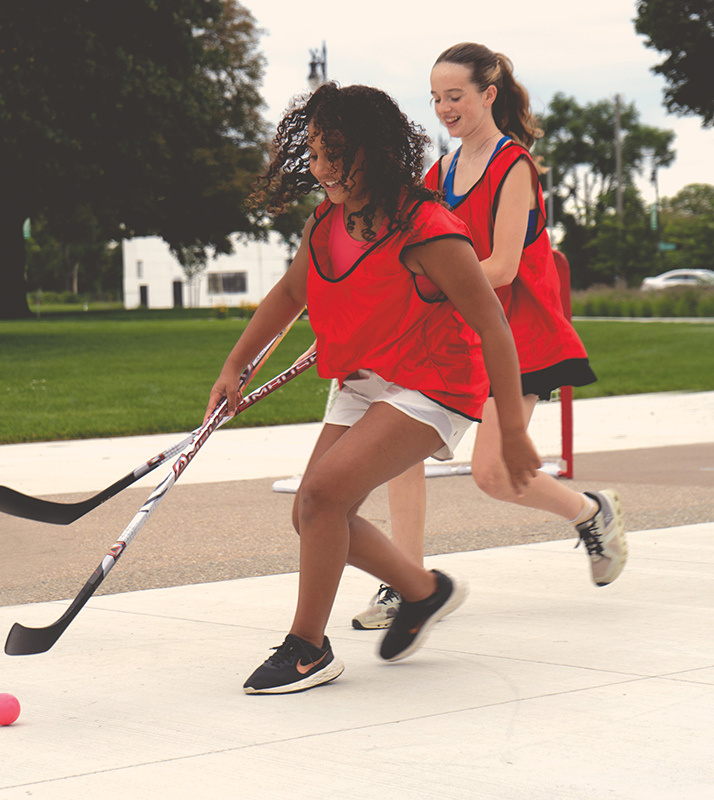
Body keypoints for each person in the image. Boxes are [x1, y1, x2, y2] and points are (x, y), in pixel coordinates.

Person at [207, 82, 541, 695]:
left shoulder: (427, 229)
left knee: (323, 496)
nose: (321, 166)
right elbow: (288, 296)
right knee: (309, 511)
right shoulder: (327, 223)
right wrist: (235, 365)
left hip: (435, 380)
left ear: (375, 150)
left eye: (334, 150)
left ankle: (308, 648)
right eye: (312, 151)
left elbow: (493, 323)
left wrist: (513, 430)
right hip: (366, 375)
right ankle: (423, 592)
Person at [352, 42, 627, 631]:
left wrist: (429, 285)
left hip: (518, 333)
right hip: (457, 333)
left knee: (495, 476)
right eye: (435, 99)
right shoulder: (440, 172)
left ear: (488, 94)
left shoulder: (514, 166)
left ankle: (590, 512)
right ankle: (407, 583)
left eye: (455, 96)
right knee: (401, 447)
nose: (444, 108)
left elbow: (501, 267)